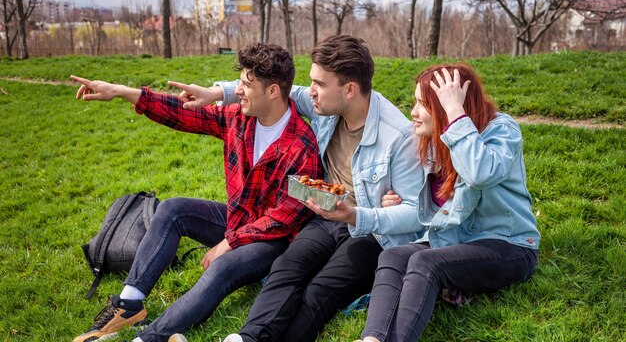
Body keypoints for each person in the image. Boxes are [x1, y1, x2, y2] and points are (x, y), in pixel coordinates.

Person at [171, 35, 426, 342]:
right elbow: (275, 89)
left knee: (319, 290)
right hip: (325, 216)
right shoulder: (326, 105)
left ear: (348, 89)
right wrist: (216, 92)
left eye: (319, 84)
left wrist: (358, 215)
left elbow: (416, 214)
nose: (311, 93)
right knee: (286, 267)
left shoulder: (398, 137)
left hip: (371, 231)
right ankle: (247, 338)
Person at [69, 43, 322, 342]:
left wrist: (228, 243)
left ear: (273, 92)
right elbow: (183, 114)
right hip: (238, 221)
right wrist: (123, 91)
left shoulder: (302, 146)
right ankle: (130, 303)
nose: (237, 90)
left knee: (224, 265)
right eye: (240, 81)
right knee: (174, 209)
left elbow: (284, 218)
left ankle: (149, 338)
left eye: (246, 85)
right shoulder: (238, 118)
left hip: (273, 242)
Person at [358, 63, 541, 342]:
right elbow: (434, 203)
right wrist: (393, 200)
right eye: (415, 102)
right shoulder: (433, 141)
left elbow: (481, 174)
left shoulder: (502, 130)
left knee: (425, 262)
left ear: (448, 106)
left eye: (424, 104)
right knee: (393, 256)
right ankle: (371, 338)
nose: (414, 113)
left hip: (510, 244)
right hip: (458, 242)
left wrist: (456, 114)